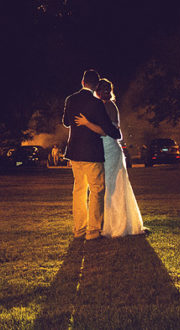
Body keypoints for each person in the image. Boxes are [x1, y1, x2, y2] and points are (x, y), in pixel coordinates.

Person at [74, 78, 147, 237]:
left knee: (110, 186)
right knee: (107, 186)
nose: (102, 93)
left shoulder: (108, 106)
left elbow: (107, 130)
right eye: (102, 90)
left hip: (109, 149)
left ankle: (113, 225)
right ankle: (107, 223)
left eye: (104, 90)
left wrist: (87, 123)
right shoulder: (105, 106)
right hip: (104, 149)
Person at [62, 69, 120, 241]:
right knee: (96, 190)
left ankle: (79, 229)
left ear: (82, 82)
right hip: (92, 152)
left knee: (79, 191)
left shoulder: (70, 99)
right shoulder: (96, 104)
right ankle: (93, 230)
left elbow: (66, 122)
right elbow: (107, 127)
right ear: (96, 85)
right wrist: (116, 134)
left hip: (74, 152)